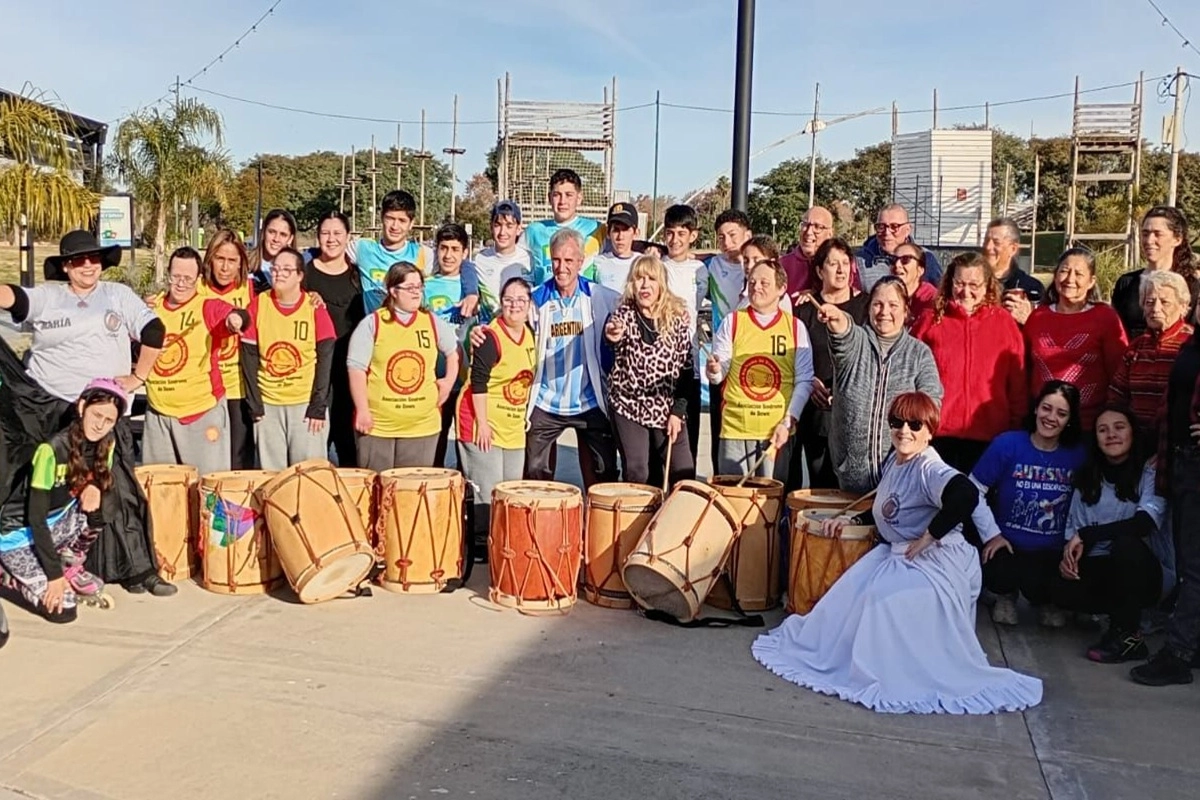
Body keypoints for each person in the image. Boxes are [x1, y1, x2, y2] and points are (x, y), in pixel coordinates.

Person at [751, 391, 1042, 715]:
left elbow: (965, 494)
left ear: (930, 431)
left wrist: (929, 537)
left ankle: (891, 672)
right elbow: (886, 509)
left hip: (938, 562)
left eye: (915, 424)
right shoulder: (897, 460)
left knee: (883, 603)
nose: (904, 430)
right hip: (900, 555)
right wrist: (852, 519)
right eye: (897, 422)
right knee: (843, 602)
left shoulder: (928, 467)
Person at [0, 231, 174, 596]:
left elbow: (155, 330)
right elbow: (14, 299)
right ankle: (37, 562)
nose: (88, 266)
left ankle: (138, 570)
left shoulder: (118, 296)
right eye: (78, 260)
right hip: (49, 409)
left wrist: (138, 375)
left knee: (117, 488)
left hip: (102, 412)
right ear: (66, 266)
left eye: (94, 258)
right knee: (44, 489)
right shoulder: (50, 297)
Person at [0, 380, 131, 623]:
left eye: (109, 420)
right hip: (18, 534)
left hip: (58, 524)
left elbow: (104, 490)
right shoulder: (51, 450)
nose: (100, 425)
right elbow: (35, 519)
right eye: (96, 414)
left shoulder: (107, 443)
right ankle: (7, 573)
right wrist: (53, 577)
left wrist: (94, 486)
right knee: (63, 612)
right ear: (82, 407)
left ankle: (70, 563)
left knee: (106, 502)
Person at [1054, 405, 1174, 663]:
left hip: (1149, 574)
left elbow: (1143, 525)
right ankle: (1110, 617)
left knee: (1126, 546)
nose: (1111, 435)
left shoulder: (1149, 472)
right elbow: (1074, 536)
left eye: (1119, 427)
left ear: (1133, 433)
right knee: (1051, 582)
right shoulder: (1087, 478)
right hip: (1105, 569)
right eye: (1102, 429)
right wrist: (1069, 561)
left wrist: (1087, 534)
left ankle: (1129, 637)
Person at [970, 381, 1087, 627]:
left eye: (1061, 413)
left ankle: (1046, 601)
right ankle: (1004, 595)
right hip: (1008, 545)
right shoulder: (1008, 444)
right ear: (1036, 409)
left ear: (1070, 420)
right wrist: (992, 535)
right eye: (1046, 408)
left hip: (1052, 550)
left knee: (1055, 592)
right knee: (999, 570)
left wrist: (1076, 540)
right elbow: (972, 490)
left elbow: (1090, 500)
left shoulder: (1078, 454)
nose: (1051, 417)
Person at [818, 276, 943, 494]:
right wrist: (837, 317)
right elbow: (843, 334)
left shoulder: (919, 353)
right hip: (849, 476)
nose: (884, 312)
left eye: (893, 305)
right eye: (877, 304)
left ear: (906, 311)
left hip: (899, 478)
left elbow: (931, 401)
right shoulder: (857, 342)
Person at [911, 252, 1026, 474]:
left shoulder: (1004, 323)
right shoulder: (930, 320)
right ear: (949, 282)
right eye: (959, 283)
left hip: (990, 436)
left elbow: (1017, 383)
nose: (966, 291)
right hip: (938, 435)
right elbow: (910, 373)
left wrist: (1015, 428)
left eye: (974, 284)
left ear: (987, 285)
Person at [523, 228, 621, 487]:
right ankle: (543, 525)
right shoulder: (535, 299)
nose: (562, 267)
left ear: (581, 262)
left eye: (569, 261)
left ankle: (599, 526)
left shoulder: (601, 296)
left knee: (604, 476)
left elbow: (637, 310)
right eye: (556, 260)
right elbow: (505, 321)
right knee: (535, 476)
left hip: (588, 401)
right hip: (546, 401)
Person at [144, 247, 249, 476]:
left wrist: (235, 319)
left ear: (199, 279)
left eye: (188, 279)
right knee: (162, 491)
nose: (181, 284)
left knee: (208, 490)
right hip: (159, 414)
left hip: (200, 413)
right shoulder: (151, 308)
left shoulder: (207, 306)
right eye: (176, 277)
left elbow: (237, 314)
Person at [707, 259, 813, 480]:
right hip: (735, 428)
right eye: (752, 281)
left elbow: (804, 379)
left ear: (781, 289)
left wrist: (788, 420)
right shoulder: (733, 322)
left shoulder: (795, 327)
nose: (756, 287)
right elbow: (718, 376)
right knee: (734, 502)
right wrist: (714, 369)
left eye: (765, 282)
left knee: (769, 504)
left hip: (775, 431)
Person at [347, 262, 459, 471]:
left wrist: (448, 381)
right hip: (379, 426)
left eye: (419, 287)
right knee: (377, 491)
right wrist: (362, 410)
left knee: (411, 496)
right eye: (410, 288)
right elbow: (356, 368)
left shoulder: (432, 322)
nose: (416, 293)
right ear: (393, 291)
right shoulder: (373, 323)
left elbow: (453, 352)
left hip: (422, 426)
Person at [241, 247, 336, 471]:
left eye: (286, 269)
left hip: (304, 405)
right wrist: (255, 406)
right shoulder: (258, 304)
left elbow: (325, 359)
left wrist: (317, 406)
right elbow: (249, 357)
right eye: (275, 268)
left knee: (309, 476)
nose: (279, 274)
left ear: (300, 276)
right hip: (269, 405)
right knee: (273, 477)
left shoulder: (314, 307)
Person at [604, 255, 695, 487]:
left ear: (661, 284)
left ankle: (677, 520)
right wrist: (612, 334)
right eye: (639, 279)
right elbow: (613, 332)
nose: (644, 285)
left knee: (683, 471)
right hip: (629, 405)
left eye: (651, 279)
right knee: (638, 470)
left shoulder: (677, 320)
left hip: (666, 406)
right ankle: (637, 519)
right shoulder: (624, 315)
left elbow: (686, 370)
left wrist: (677, 411)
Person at [457, 277, 536, 542]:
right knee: (487, 490)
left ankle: (503, 540)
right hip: (482, 421)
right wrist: (483, 423)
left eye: (521, 300)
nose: (514, 305)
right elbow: (478, 381)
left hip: (513, 425)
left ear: (529, 305)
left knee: (510, 489)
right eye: (508, 300)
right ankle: (480, 543)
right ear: (500, 303)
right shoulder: (489, 336)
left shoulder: (531, 335)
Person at [791, 238, 869, 490]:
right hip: (815, 410)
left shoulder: (865, 307)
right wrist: (808, 381)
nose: (840, 270)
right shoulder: (804, 309)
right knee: (818, 483)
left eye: (845, 263)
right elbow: (793, 356)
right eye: (833, 263)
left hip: (851, 409)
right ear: (818, 270)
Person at [1025, 248, 1128, 429]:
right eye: (1064, 271)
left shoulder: (1105, 318)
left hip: (1088, 424)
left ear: (1091, 281)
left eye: (1079, 274)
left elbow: (1119, 373)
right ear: (1055, 276)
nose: (1070, 279)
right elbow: (1025, 369)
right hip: (1042, 423)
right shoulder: (1037, 317)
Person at [345, 189, 480, 315]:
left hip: (409, 334)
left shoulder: (423, 254)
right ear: (381, 218)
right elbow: (329, 255)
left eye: (402, 220)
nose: (395, 226)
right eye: (390, 218)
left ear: (411, 223)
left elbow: (461, 264)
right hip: (376, 334)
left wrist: (472, 293)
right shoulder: (362, 248)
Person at [303, 210, 365, 467]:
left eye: (337, 233)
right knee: (316, 442)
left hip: (349, 369)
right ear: (318, 237)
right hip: (315, 371)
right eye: (325, 233)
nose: (331, 239)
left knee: (348, 443)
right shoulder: (304, 274)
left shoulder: (358, 275)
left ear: (347, 236)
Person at [1108, 270, 1193, 435]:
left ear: (1183, 306)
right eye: (1149, 302)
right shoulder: (1135, 348)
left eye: (1165, 302)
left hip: (1179, 441)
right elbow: (1116, 396)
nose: (1156, 308)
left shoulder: (1192, 345)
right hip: (1138, 440)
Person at [701, 209, 755, 473]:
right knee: (720, 428)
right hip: (722, 359)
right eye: (721, 237)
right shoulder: (711, 267)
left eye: (733, 235)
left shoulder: (759, 268)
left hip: (754, 357)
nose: (727, 242)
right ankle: (720, 481)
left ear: (748, 235)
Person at [201, 229, 257, 470]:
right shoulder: (196, 287)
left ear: (240, 263)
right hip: (204, 389)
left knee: (238, 463)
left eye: (232, 260)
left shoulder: (249, 289)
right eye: (219, 259)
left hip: (238, 387)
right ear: (209, 259)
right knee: (208, 462)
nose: (225, 267)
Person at [660, 204, 707, 467]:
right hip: (659, 360)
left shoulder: (702, 271)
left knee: (688, 436)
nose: (675, 239)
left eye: (681, 233)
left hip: (689, 359)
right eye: (670, 232)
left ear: (693, 235)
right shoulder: (656, 266)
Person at [424, 222, 473, 467]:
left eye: (455, 249)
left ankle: (467, 495)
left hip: (466, 380)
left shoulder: (475, 289)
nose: (448, 255)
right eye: (444, 248)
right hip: (436, 378)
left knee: (466, 443)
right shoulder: (425, 286)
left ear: (464, 252)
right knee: (436, 439)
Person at [1111, 206, 1198, 339]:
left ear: (1177, 239)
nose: (1149, 240)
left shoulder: (1191, 284)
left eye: (1158, 234)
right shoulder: (1127, 283)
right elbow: (1116, 333)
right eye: (1145, 234)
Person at [521, 168, 606, 286]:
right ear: (549, 197)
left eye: (569, 195)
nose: (562, 201)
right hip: (545, 302)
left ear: (579, 198)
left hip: (584, 301)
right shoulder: (533, 231)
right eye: (557, 195)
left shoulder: (596, 229)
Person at [779, 206, 862, 306]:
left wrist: (817, 295)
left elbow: (852, 297)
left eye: (817, 227)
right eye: (805, 225)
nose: (809, 232)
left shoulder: (845, 262)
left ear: (830, 233)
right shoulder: (783, 264)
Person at [858, 204, 944, 289]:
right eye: (881, 227)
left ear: (907, 230)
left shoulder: (925, 258)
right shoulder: (860, 260)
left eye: (894, 227)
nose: (887, 233)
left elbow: (943, 295)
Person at [473, 200, 531, 317]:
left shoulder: (530, 260)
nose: (502, 232)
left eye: (509, 226)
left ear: (518, 229)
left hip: (521, 332)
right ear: (491, 227)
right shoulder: (479, 260)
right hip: (490, 332)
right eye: (497, 225)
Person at [984, 217, 1043, 326]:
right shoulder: (972, 283)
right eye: (986, 241)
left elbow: (1042, 333)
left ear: (1013, 249)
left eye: (996, 242)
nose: (988, 247)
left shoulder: (1031, 288)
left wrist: (1029, 320)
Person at [590, 201, 640, 291]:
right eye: (616, 230)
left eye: (625, 230)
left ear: (636, 233)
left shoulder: (643, 263)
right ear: (608, 233)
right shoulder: (597, 263)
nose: (620, 237)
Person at [248, 208, 297, 292]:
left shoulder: (296, 270)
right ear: (263, 232)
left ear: (290, 239)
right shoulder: (245, 264)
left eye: (283, 234)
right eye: (272, 232)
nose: (276, 239)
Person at [890, 242, 938, 324]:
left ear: (920, 270)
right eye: (893, 260)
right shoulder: (884, 295)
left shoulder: (932, 301)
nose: (897, 265)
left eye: (905, 259)